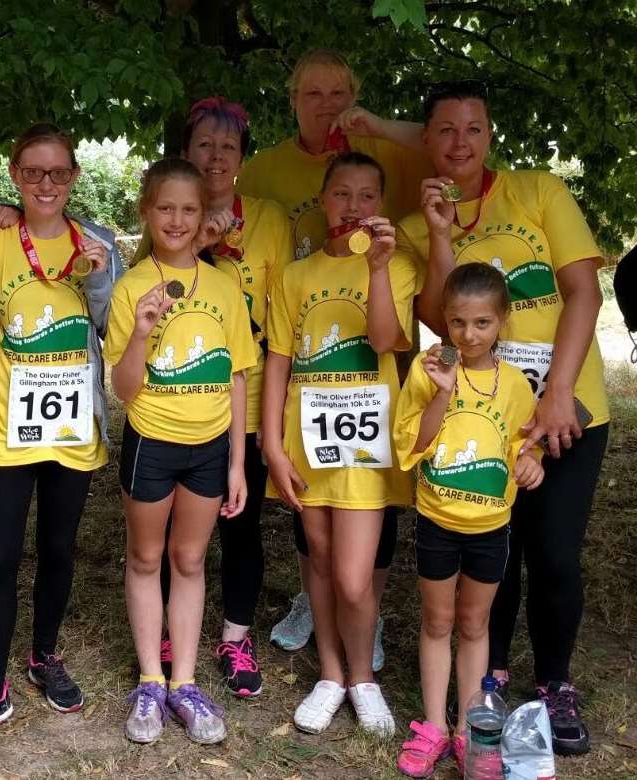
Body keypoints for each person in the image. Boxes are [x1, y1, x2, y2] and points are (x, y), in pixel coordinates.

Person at [398, 79, 609, 756]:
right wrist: (436, 235)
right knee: (496, 547)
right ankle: (485, 677)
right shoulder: (417, 219)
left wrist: (557, 389)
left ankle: (552, 682)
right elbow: (435, 317)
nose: (459, 142)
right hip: (474, 414)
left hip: (563, 406)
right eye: (445, 130)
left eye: (473, 129)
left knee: (551, 550)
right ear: (426, 140)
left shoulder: (539, 191)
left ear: (490, 136)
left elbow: (581, 289)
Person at [239, 49, 433, 662]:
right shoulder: (265, 169)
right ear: (293, 99)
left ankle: (363, 613)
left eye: (337, 93)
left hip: (375, 375)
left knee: (369, 499)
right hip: (302, 353)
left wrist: (376, 128)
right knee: (316, 521)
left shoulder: (387, 152)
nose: (326, 105)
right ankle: (316, 609)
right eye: (312, 93)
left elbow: (448, 148)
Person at [0, 123, 119, 753]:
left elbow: (111, 328)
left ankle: (44, 656)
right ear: (15, 175)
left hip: (72, 434)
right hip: (4, 435)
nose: (47, 184)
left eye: (59, 173)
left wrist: (99, 278)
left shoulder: (98, 246)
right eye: (34, 173)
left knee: (60, 550)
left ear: (74, 177)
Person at [262, 152, 415, 736]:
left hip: (367, 447)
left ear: (381, 203)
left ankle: (363, 679)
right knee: (320, 564)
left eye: (368, 196)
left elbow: (384, 338)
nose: (354, 207)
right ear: (324, 201)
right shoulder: (295, 276)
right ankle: (331, 675)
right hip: (307, 440)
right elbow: (279, 361)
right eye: (343, 195)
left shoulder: (397, 266)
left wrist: (377, 269)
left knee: (355, 577)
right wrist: (274, 444)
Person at [110, 158, 255, 745]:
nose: (176, 219)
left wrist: (239, 462)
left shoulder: (224, 286)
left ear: (204, 218)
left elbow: (240, 376)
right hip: (151, 442)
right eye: (165, 207)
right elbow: (123, 390)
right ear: (147, 212)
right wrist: (142, 330)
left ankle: (185, 683)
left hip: (209, 449)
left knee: (190, 560)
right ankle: (149, 679)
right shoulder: (128, 286)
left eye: (188, 210)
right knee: (146, 559)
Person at [393, 263, 543, 777]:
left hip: (490, 528)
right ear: (443, 320)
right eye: (458, 323)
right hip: (437, 521)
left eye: (482, 323)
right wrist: (442, 391)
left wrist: (533, 459)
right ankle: (434, 724)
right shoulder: (426, 367)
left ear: (502, 321)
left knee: (474, 624)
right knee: (437, 622)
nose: (469, 334)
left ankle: (468, 731)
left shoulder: (517, 385)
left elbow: (525, 442)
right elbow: (413, 444)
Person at [171, 97, 292, 698]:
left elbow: (284, 318)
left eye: (228, 147)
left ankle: (235, 637)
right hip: (180, 402)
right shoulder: (170, 214)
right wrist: (199, 243)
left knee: (241, 527)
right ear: (186, 153)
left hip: (246, 398)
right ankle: (172, 633)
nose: (215, 157)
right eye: (204, 146)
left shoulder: (271, 218)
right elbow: (153, 291)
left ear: (242, 158)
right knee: (177, 527)